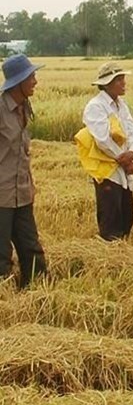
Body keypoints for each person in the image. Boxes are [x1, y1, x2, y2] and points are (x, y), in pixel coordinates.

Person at [0, 54, 48, 287]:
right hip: (1, 196)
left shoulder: (24, 108)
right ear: (18, 81)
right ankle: (6, 305)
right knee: (1, 255)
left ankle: (38, 295)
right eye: (31, 76)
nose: (35, 81)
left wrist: (29, 184)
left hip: (22, 192)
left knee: (32, 249)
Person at [83, 62, 133, 241]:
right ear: (107, 83)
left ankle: (122, 253)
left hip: (123, 169)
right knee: (110, 219)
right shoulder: (96, 106)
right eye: (119, 80)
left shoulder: (121, 105)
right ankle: (110, 261)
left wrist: (132, 152)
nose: (124, 83)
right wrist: (123, 159)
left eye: (123, 78)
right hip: (107, 171)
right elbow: (102, 139)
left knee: (126, 216)